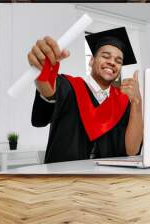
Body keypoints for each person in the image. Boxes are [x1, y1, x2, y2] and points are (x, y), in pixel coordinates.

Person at [29, 27, 143, 163]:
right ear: (91, 61)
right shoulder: (70, 86)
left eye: (118, 61)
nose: (112, 62)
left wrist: (137, 101)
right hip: (65, 179)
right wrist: (43, 72)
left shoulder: (122, 101)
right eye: (105, 56)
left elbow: (132, 150)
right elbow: (48, 88)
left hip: (108, 179)